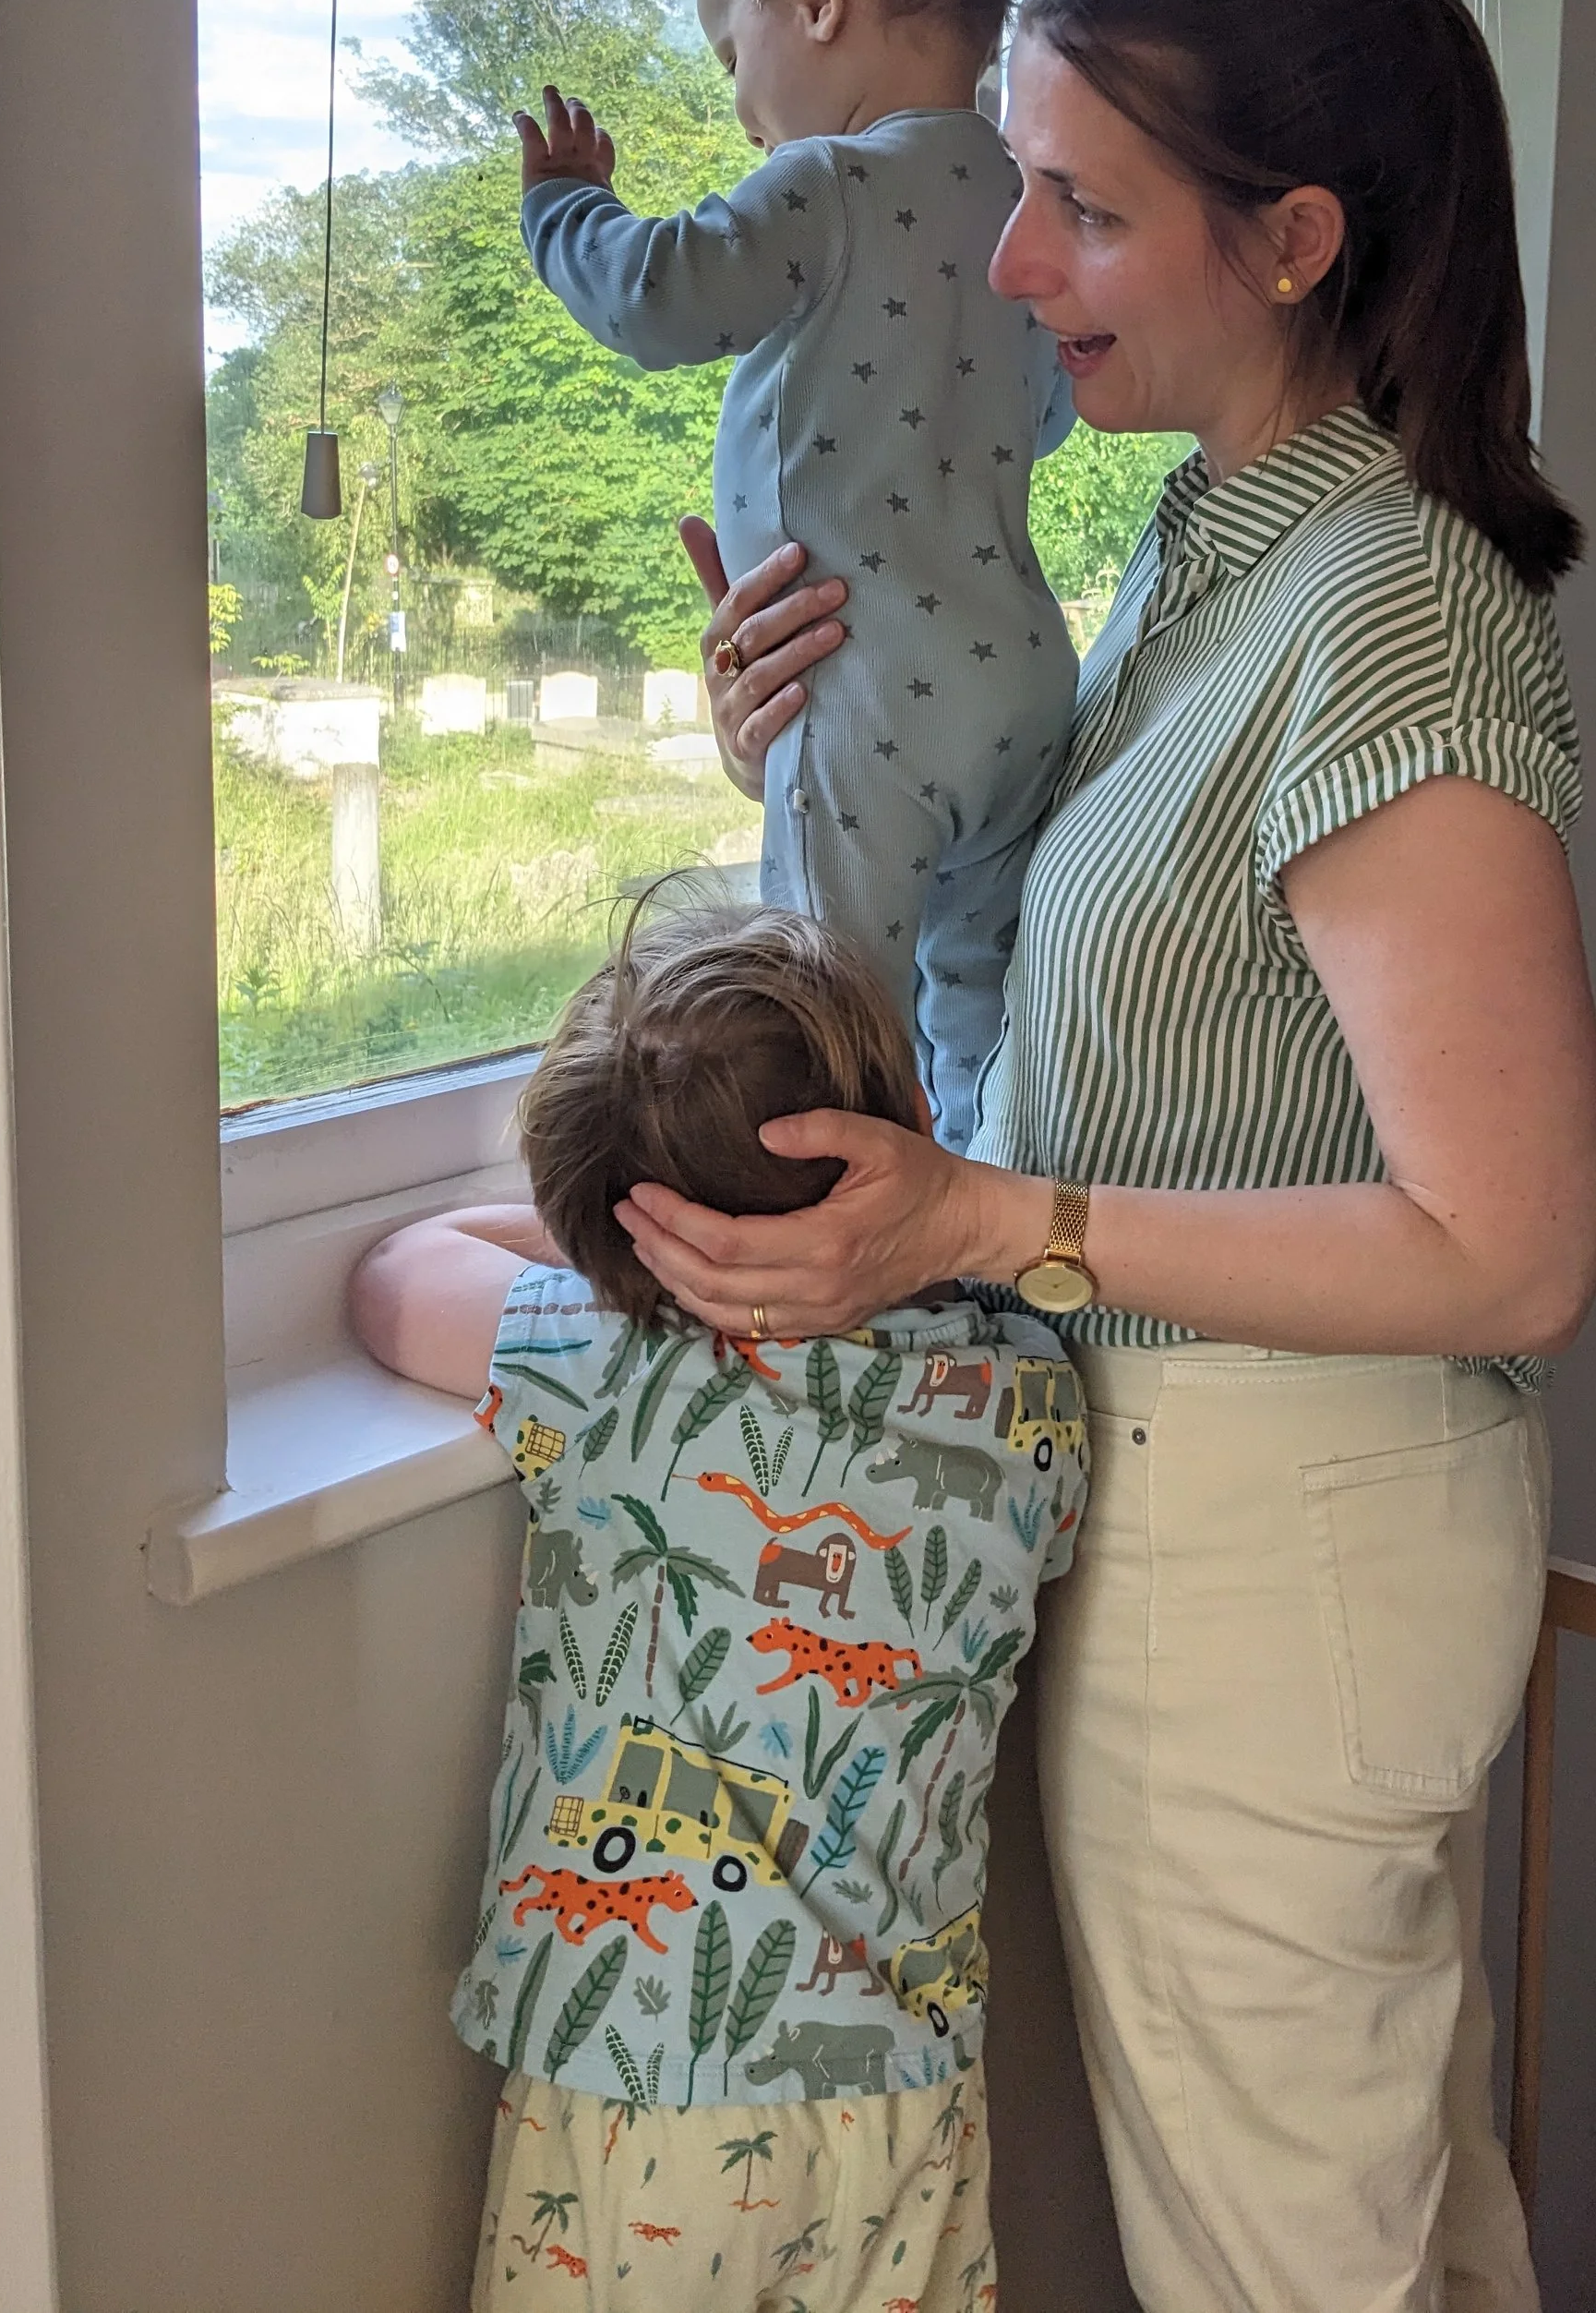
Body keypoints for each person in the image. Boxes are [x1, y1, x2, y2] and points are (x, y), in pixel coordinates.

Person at [611, 0, 1596, 2313]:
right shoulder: (1203, 557)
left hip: (1286, 1533)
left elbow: (1510, 1243)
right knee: (1371, 2233)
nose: (1000, 260)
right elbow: (1067, 983)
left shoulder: (1377, 606)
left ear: (1286, 239)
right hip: (1226, 1509)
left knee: (1288, 2265)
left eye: (1076, 204)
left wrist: (979, 1222)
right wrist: (797, 740)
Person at [349, 900, 1087, 2313]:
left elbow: (398, 1275)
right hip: (909, 2092)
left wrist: (632, 1271)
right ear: (915, 1125)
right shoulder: (1024, 1387)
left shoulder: (604, 1368)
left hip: (641, 2090)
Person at [513, 0, 1077, 1151]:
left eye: (731, 53)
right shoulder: (1034, 203)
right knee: (982, 1017)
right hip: (1017, 680)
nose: (742, 107)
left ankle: (847, 1271)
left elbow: (656, 298)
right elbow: (1047, 415)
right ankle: (982, 1208)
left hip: (866, 689)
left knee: (831, 1017)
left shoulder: (826, 184)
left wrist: (564, 210)